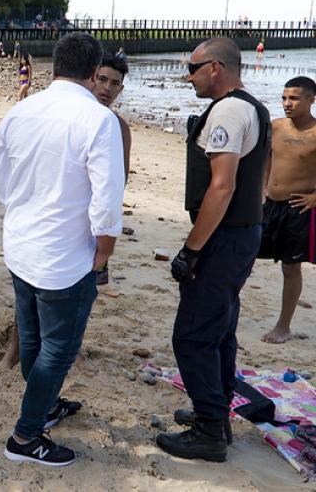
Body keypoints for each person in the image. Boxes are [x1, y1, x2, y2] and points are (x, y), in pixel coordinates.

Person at [0, 33, 125, 467]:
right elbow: (107, 201)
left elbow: (2, 184)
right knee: (58, 349)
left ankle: (43, 407)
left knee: (33, 336)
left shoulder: (21, 110)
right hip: (63, 256)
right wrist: (103, 254)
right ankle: (25, 437)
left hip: (21, 244)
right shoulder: (97, 119)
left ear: (54, 67)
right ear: (94, 73)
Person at [155, 38, 270, 463]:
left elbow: (222, 187)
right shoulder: (254, 107)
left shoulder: (228, 111)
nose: (188, 75)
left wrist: (192, 249)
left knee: (193, 335)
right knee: (220, 329)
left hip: (223, 238)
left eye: (193, 66)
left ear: (216, 67)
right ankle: (217, 415)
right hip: (242, 233)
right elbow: (263, 173)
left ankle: (208, 433)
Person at [0, 54, 133, 371]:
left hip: (90, 223)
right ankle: (16, 348)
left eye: (115, 84)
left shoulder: (117, 127)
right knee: (29, 292)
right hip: (50, 220)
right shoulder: (60, 115)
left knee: (84, 293)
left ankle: (74, 347)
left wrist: (104, 229)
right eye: (103, 79)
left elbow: (118, 181)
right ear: (90, 77)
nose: (107, 89)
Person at [257, 76, 316, 343]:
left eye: (294, 98)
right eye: (284, 98)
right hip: (270, 205)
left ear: (311, 99)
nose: (287, 103)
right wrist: (263, 188)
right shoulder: (276, 127)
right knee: (244, 255)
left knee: (291, 268)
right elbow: (267, 157)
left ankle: (284, 326)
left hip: (297, 208)